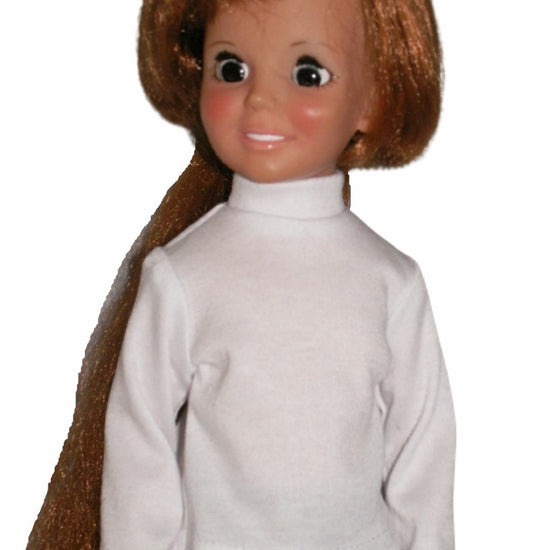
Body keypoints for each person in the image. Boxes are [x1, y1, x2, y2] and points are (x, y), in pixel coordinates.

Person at [28, 0, 454, 549]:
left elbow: (423, 451)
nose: (259, 98)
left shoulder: (392, 282)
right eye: (232, 69)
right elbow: (140, 446)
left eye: (307, 74)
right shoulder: (182, 274)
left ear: (371, 100)